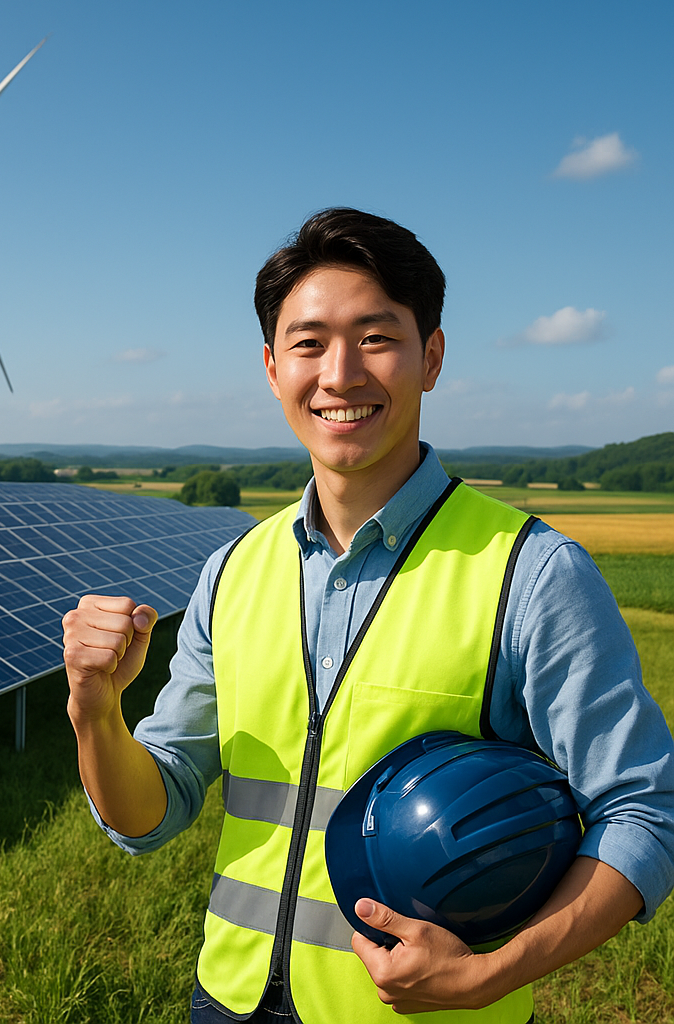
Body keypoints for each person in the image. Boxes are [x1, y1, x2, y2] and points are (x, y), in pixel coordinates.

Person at [61, 207, 674, 1023]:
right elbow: (151, 812)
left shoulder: (531, 573)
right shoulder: (234, 571)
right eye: (309, 343)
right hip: (228, 1000)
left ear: (432, 357)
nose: (341, 375)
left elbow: (644, 812)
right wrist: (95, 713)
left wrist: (489, 976)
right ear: (273, 367)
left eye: (376, 338)